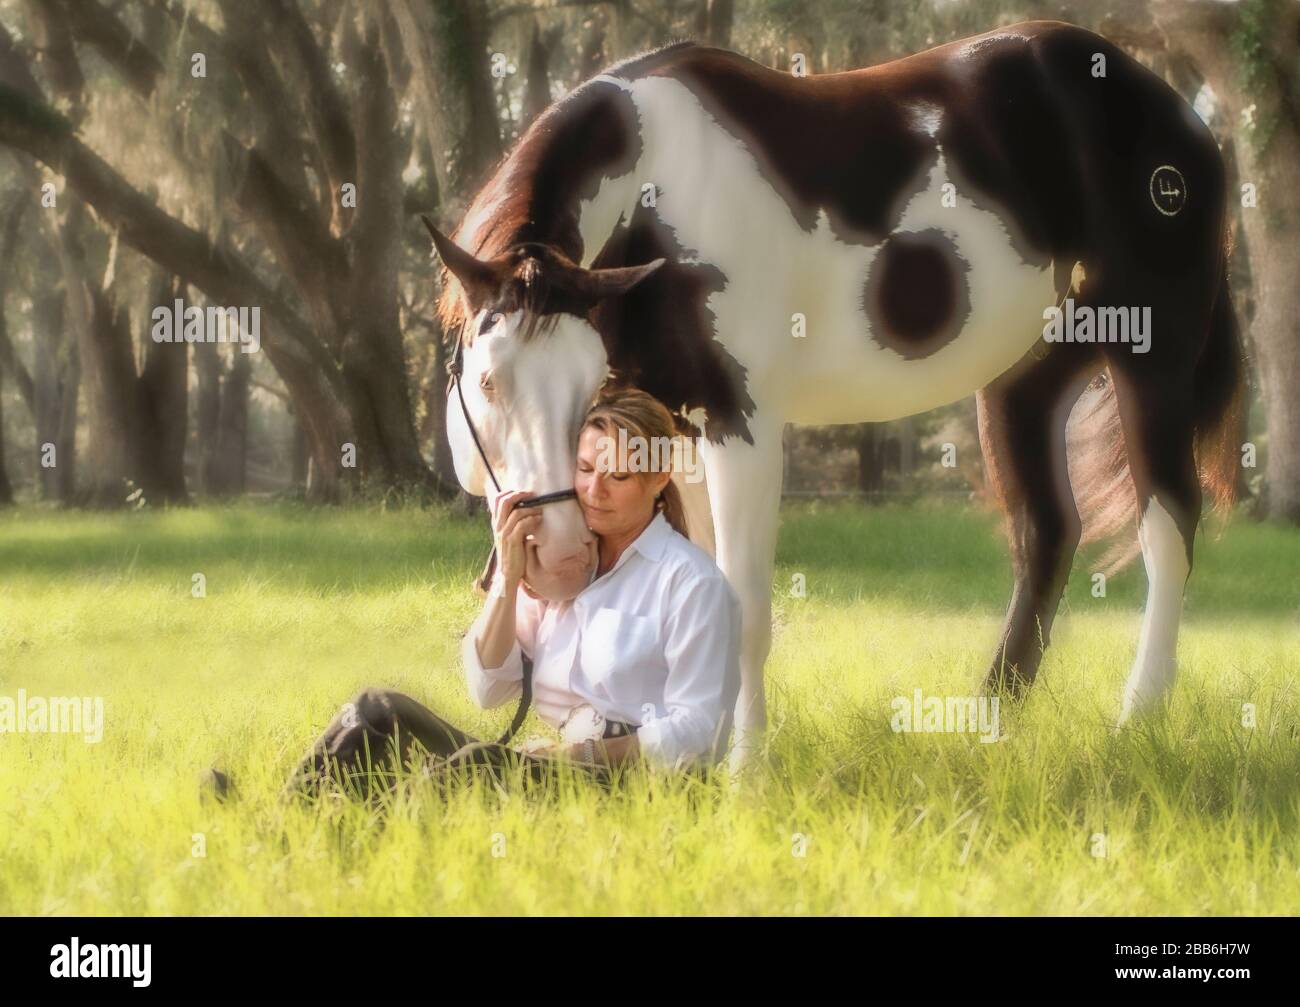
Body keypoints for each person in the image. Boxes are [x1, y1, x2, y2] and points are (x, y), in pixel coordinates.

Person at [277, 387, 742, 800]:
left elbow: (702, 729)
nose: (594, 490)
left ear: (659, 478)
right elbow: (488, 689)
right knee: (377, 708)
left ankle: (342, 831)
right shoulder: (565, 566)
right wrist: (508, 575)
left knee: (480, 764)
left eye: (617, 476)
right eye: (583, 468)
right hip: (549, 766)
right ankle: (286, 818)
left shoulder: (691, 583)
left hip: (628, 785)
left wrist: (572, 756)